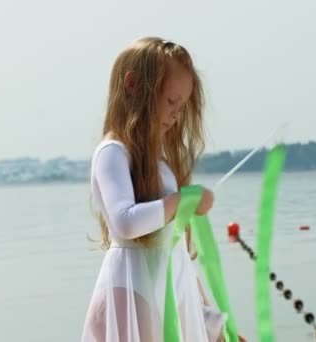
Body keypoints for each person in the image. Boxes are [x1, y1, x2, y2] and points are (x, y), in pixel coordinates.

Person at [81, 37, 230, 342]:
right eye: (171, 101)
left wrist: (211, 322)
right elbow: (126, 222)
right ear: (134, 85)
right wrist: (183, 200)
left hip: (160, 291)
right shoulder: (113, 152)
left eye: (183, 105)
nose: (177, 114)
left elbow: (175, 255)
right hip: (129, 293)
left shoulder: (160, 164)